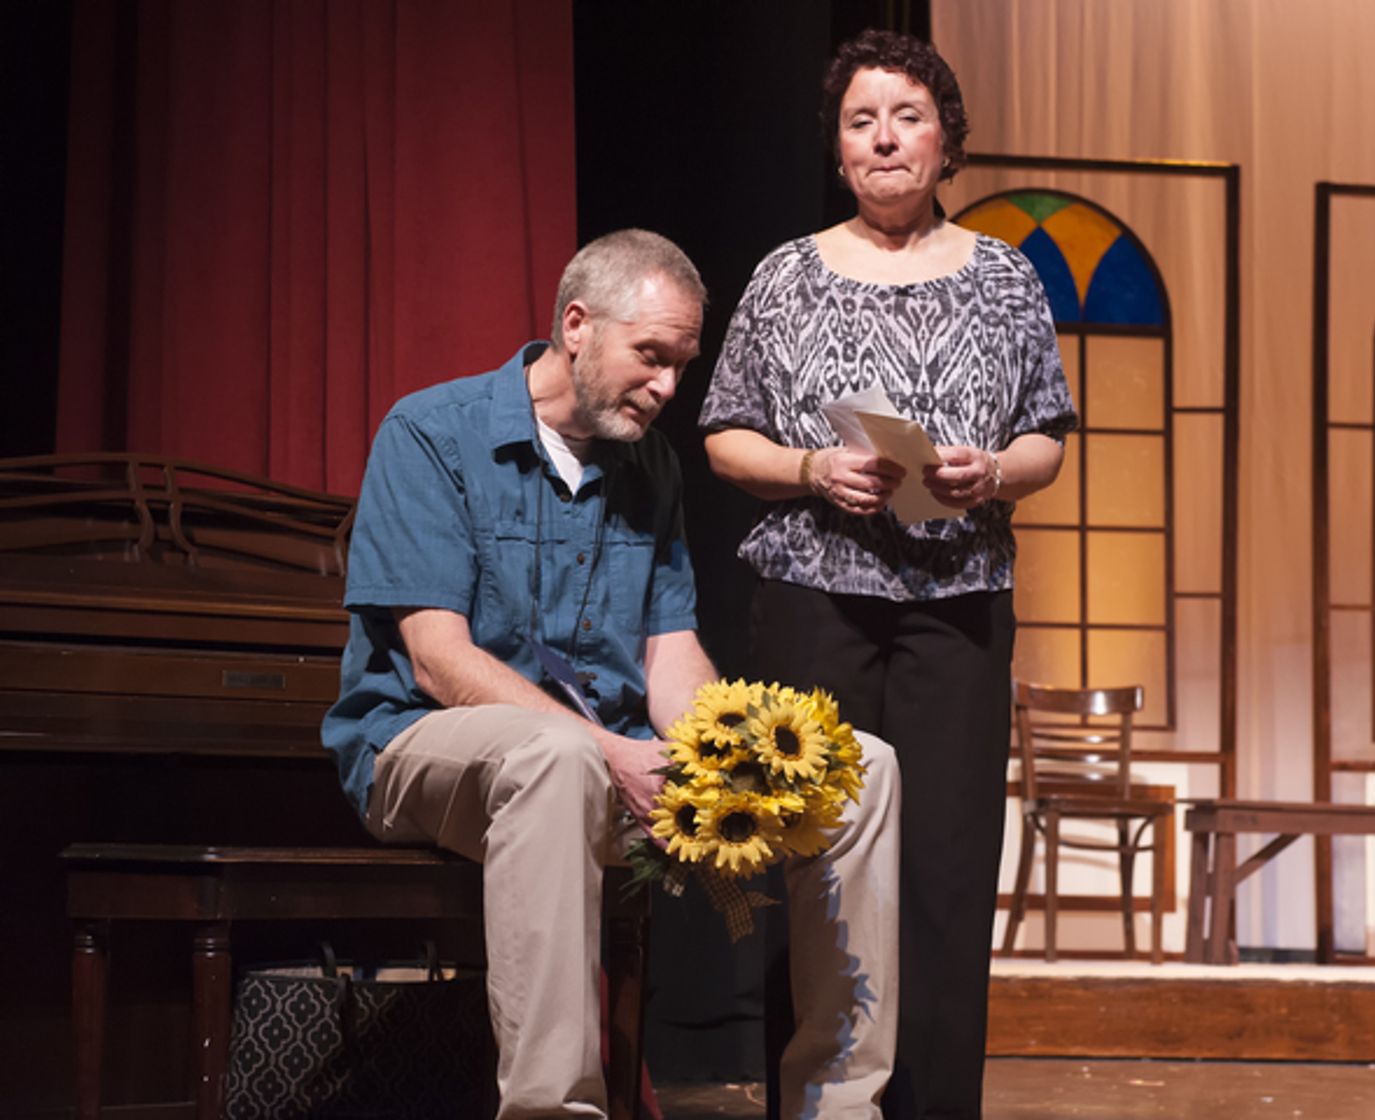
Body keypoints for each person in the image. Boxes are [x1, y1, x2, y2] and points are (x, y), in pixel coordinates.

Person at [322, 228, 902, 1120]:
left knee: (861, 768)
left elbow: (667, 654)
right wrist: (605, 752)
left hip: (599, 761)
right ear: (578, 325)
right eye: (651, 357)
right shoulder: (433, 434)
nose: (669, 387)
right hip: (423, 750)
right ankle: (554, 1111)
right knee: (554, 758)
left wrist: (724, 757)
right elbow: (438, 662)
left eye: (681, 364)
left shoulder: (651, 465)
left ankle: (840, 1106)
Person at [698, 31, 1077, 1120]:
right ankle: (814, 1101)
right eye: (859, 121)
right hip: (813, 600)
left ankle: (931, 1107)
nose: (881, 137)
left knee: (947, 873)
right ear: (838, 148)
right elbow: (725, 436)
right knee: (811, 859)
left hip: (955, 608)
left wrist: (992, 470)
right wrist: (814, 466)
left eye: (904, 116)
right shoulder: (786, 274)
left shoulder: (1003, 276)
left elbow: (1047, 436)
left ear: (945, 140)